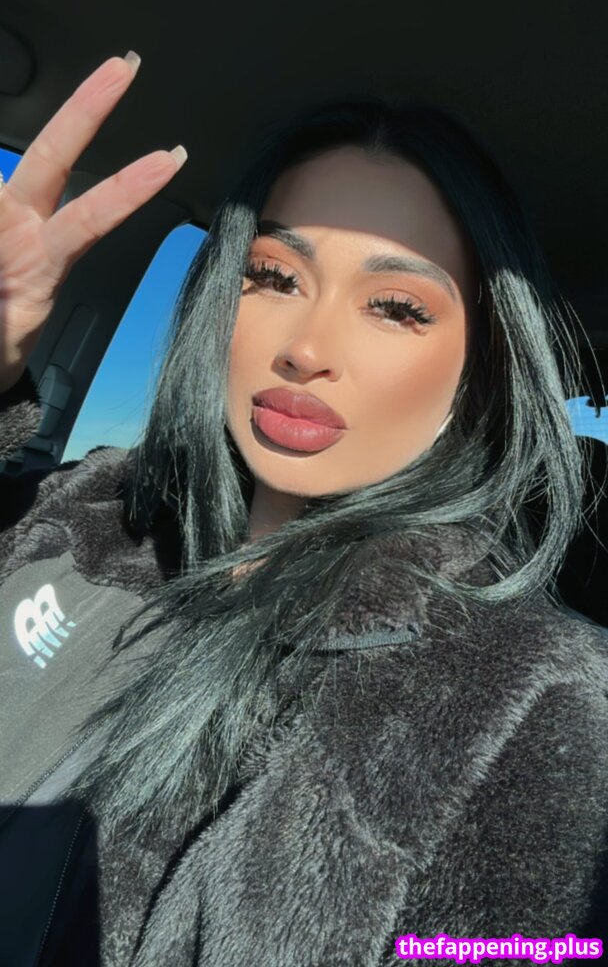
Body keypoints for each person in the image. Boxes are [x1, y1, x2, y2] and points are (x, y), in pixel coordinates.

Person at [0, 53, 606, 967]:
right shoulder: (90, 511)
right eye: (275, 277)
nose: (307, 347)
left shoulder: (526, 701)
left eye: (395, 306)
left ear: (478, 375)